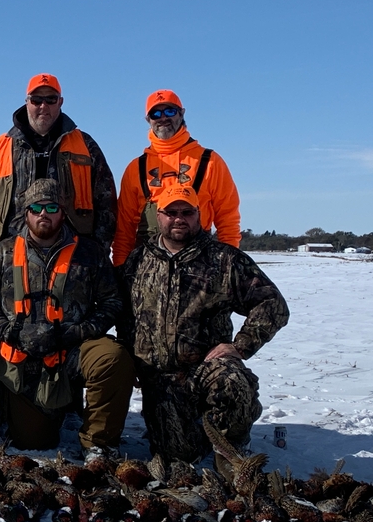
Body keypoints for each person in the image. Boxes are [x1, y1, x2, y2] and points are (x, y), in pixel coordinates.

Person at [119, 183, 289, 463]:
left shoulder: (224, 260)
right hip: (163, 378)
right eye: (170, 212)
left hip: (207, 369)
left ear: (199, 215)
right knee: (179, 458)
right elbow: (125, 316)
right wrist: (132, 358)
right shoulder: (138, 261)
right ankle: (194, 431)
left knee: (234, 381)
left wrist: (240, 346)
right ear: (157, 215)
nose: (179, 218)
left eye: (187, 212)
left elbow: (272, 304)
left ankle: (231, 447)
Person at [0, 180, 134, 457]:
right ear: (26, 212)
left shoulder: (90, 253)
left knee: (112, 357)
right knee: (34, 441)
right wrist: (9, 331)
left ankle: (98, 443)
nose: (43, 213)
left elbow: (112, 301)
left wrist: (78, 332)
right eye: (36, 207)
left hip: (71, 351)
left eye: (52, 207)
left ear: (63, 211)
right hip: (21, 356)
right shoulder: (2, 252)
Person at [0, 74, 117, 248]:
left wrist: (97, 252)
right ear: (27, 102)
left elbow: (107, 206)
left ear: (60, 102)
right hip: (9, 257)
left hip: (73, 258)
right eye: (36, 100)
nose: (44, 106)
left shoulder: (86, 146)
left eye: (51, 99)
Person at [112, 89, 241, 266]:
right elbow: (124, 228)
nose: (163, 118)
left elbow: (228, 218)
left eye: (170, 111)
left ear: (182, 114)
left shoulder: (210, 162)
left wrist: (228, 264)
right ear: (148, 120)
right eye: (156, 113)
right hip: (146, 267)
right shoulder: (135, 168)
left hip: (200, 264)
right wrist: (120, 267)